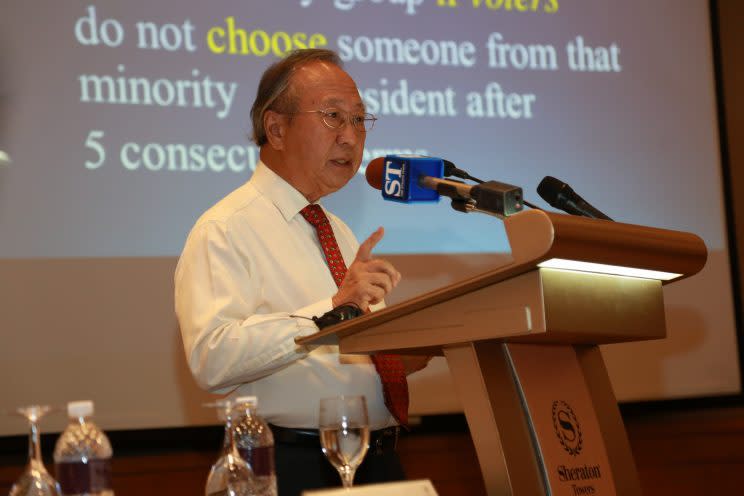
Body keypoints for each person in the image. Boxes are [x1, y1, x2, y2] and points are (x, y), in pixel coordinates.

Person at [174, 48, 429, 495]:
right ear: (276, 128)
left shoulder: (339, 231)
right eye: (333, 116)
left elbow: (345, 355)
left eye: (359, 120)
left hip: (378, 459)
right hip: (294, 465)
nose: (351, 137)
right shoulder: (226, 228)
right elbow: (212, 359)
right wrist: (330, 310)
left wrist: (409, 348)